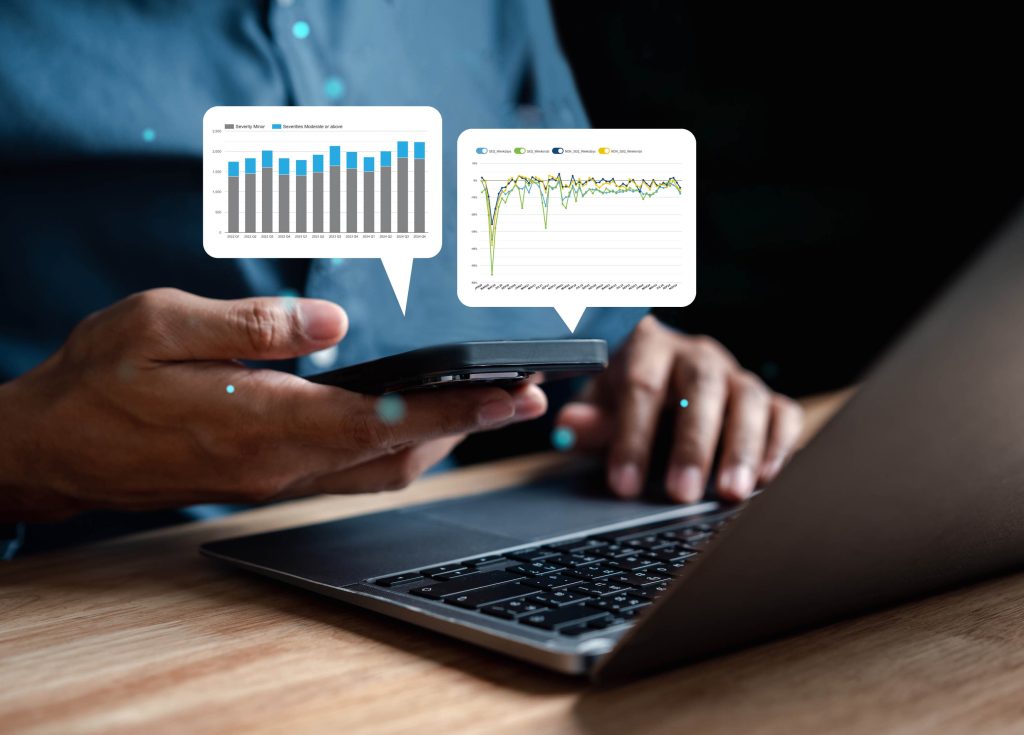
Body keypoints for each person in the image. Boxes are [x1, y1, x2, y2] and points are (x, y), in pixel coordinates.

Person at [0, 1, 801, 551]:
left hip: (438, 565)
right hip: (83, 606)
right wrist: (27, 458)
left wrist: (649, 366)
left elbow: (584, 303)